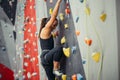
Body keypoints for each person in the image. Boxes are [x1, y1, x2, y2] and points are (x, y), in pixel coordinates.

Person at [38, 0, 64, 80]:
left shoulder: (47, 32)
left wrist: (54, 35)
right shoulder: (45, 29)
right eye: (53, 23)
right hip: (46, 57)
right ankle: (56, 69)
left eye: (56, 25)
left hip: (47, 61)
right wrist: (59, 2)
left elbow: (48, 40)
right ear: (49, 22)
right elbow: (53, 15)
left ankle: (55, 69)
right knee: (59, 49)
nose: (55, 26)